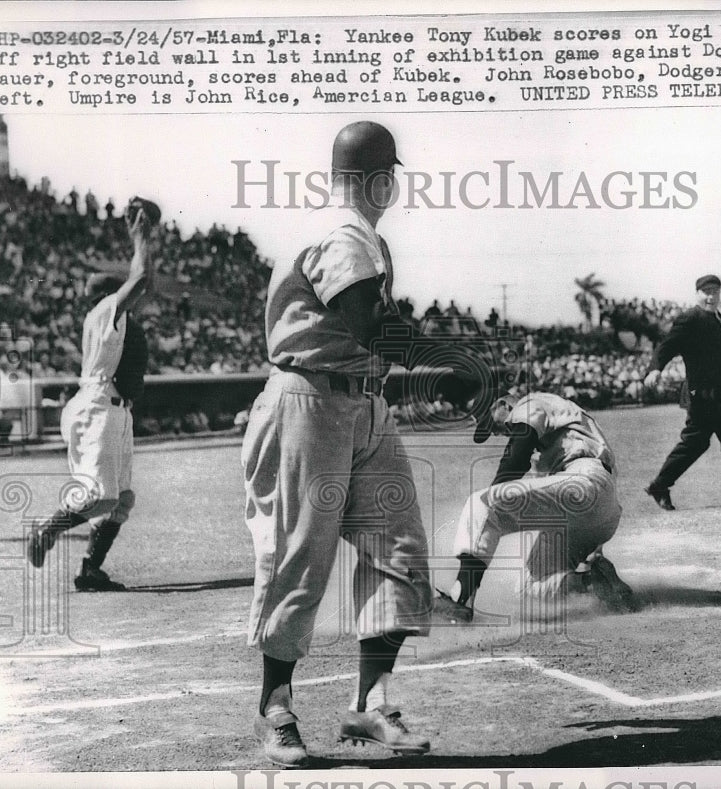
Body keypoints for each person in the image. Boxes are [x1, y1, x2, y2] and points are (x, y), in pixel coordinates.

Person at [241, 121, 479, 767]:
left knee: (399, 544)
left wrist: (453, 365)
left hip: (362, 402)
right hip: (308, 402)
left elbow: (373, 333)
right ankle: (277, 708)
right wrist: (456, 364)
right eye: (391, 174)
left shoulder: (362, 234)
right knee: (299, 554)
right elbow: (365, 322)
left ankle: (369, 704)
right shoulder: (344, 230)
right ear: (380, 178)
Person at [25, 199, 156, 591]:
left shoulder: (108, 317)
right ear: (106, 296)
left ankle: (90, 570)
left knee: (123, 498)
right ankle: (48, 529)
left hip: (114, 408)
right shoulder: (102, 312)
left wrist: (145, 242)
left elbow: (141, 280)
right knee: (101, 498)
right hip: (99, 405)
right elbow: (142, 279)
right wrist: (141, 238)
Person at [432, 391, 638, 624]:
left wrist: (495, 499)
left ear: (503, 405)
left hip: (584, 481)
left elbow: (516, 458)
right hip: (595, 508)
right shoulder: (558, 430)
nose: (496, 432)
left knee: (483, 502)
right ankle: (594, 582)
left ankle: (460, 601)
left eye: (492, 423)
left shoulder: (531, 403)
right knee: (530, 591)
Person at [642, 275, 721, 511]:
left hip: (716, 396)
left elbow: (720, 350)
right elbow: (667, 345)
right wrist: (655, 369)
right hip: (701, 395)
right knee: (696, 442)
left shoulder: (717, 318)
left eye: (715, 292)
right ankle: (660, 485)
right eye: (706, 292)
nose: (711, 297)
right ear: (697, 294)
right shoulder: (690, 318)